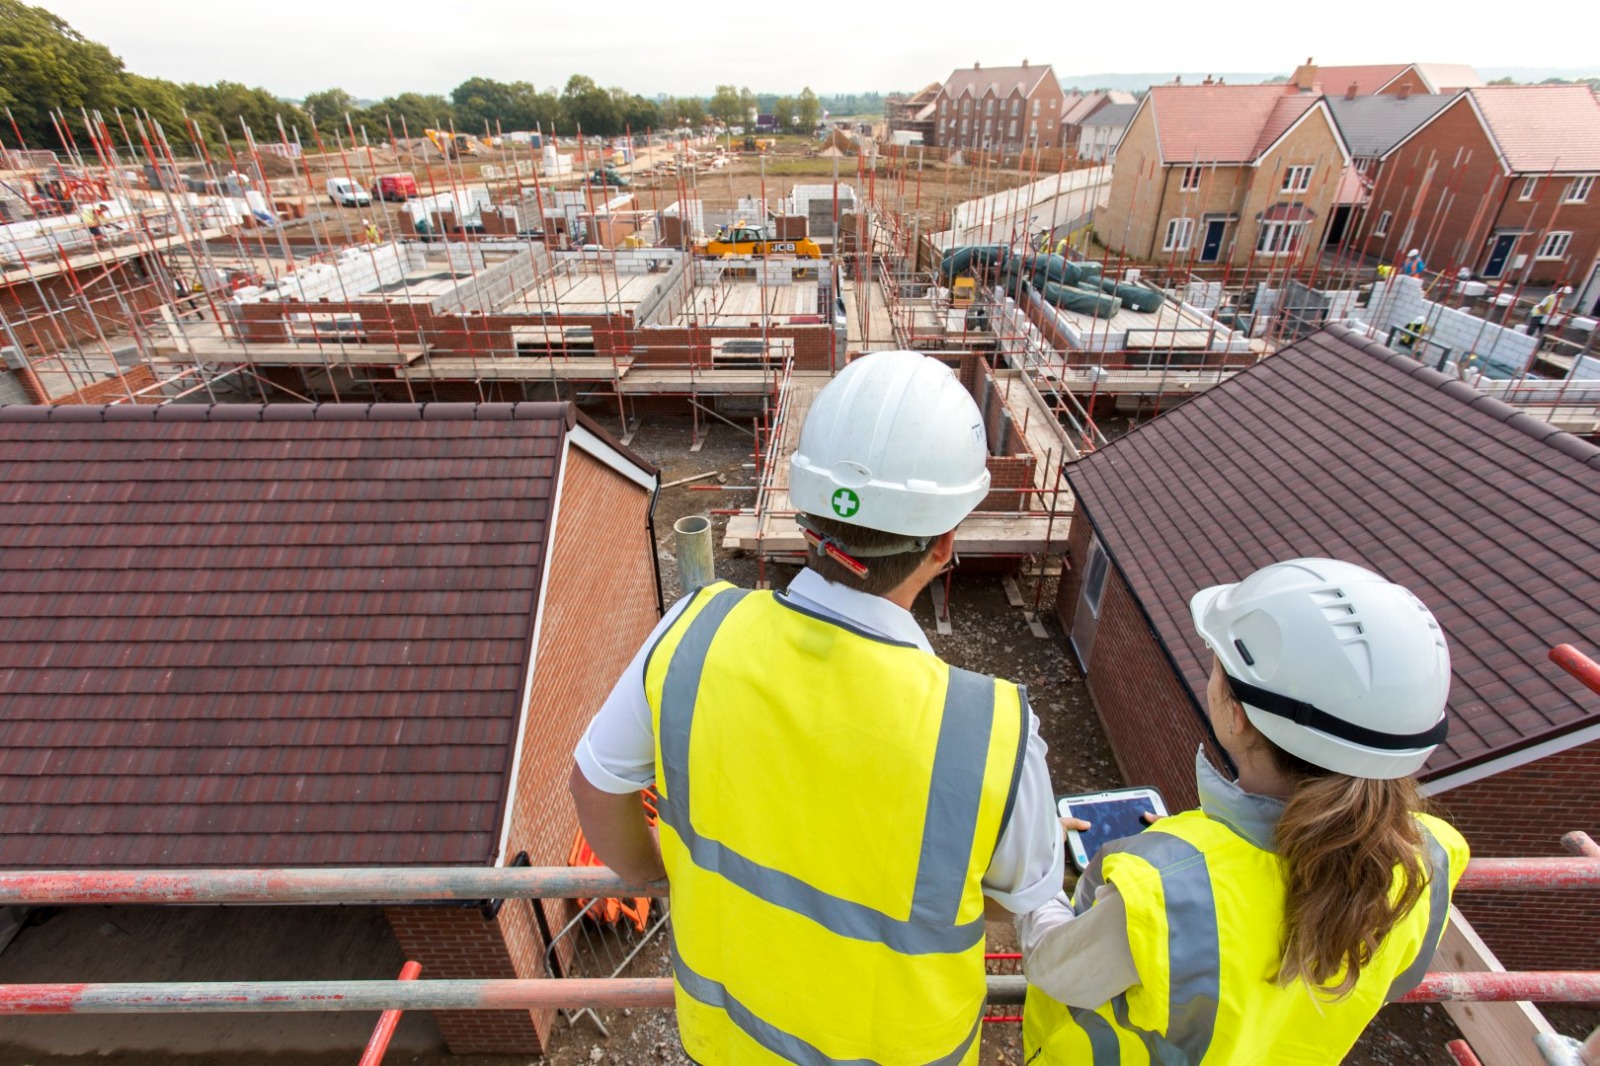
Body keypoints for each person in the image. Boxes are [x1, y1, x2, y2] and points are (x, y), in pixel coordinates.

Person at [570, 349, 1063, 1065]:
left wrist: (663, 875)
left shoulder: (692, 635)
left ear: (805, 515)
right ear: (946, 541)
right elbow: (1024, 905)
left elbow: (593, 785)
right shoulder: (990, 735)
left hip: (727, 1047)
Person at [1019, 558, 1469, 1065]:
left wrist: (1037, 859)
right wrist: (1196, 858)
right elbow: (1388, 980)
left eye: (1216, 665)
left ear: (1236, 714)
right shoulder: (1429, 856)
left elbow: (1055, 966)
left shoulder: (1163, 894)